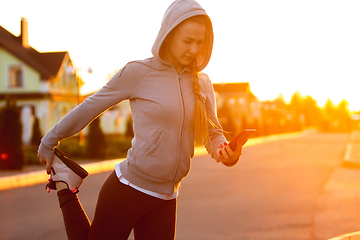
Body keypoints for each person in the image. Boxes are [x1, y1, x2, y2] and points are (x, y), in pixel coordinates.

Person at [37, 0, 244, 239]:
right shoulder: (138, 73)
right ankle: (65, 186)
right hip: (128, 190)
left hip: (166, 198)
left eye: (201, 43)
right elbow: (90, 107)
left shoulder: (203, 83)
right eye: (188, 41)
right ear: (168, 35)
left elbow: (212, 133)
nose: (195, 50)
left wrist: (226, 153)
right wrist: (49, 141)